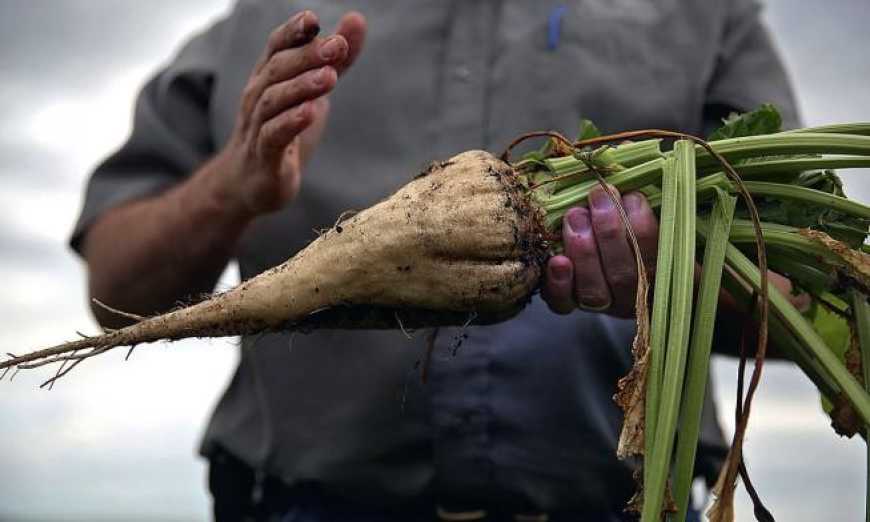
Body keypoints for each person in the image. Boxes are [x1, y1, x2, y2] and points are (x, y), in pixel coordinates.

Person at [70, 1, 802, 520]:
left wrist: (666, 277)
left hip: (617, 506)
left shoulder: (706, 15)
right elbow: (114, 290)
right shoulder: (261, 24)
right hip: (299, 506)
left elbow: (803, 292)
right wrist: (230, 185)